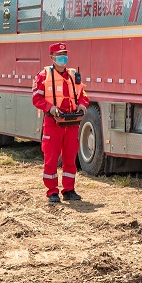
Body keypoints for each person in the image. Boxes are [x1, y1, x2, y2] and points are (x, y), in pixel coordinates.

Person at [32, 42, 89, 203]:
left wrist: (83, 105)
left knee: (70, 158)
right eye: (59, 55)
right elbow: (36, 98)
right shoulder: (43, 76)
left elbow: (83, 95)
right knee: (51, 158)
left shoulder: (73, 76)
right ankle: (52, 191)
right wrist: (50, 108)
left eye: (65, 54)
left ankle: (69, 190)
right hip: (53, 123)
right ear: (52, 57)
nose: (63, 58)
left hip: (72, 122)